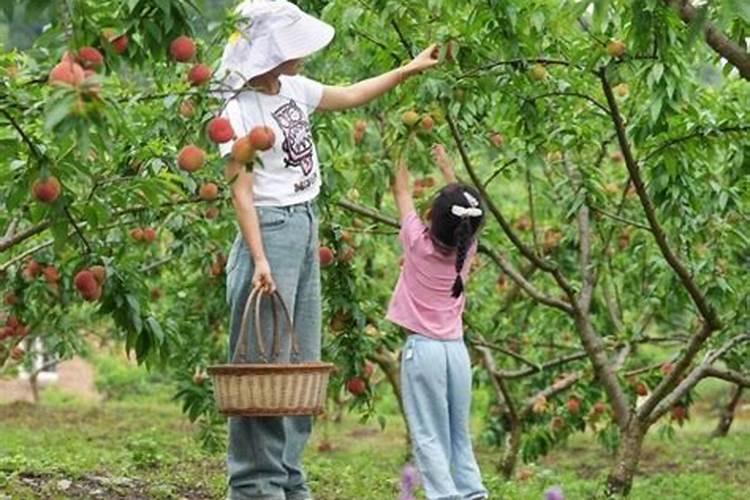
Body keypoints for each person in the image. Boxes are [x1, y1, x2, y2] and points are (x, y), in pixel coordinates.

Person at [217, 1, 440, 499]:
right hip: (269, 231)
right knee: (262, 366)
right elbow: (241, 190)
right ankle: (255, 485)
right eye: (290, 49)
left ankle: (288, 476)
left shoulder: (293, 89)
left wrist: (408, 69)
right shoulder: (236, 107)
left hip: (304, 224)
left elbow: (352, 94)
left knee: (300, 362)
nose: (300, 57)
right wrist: (259, 258)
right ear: (269, 53)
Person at [387, 144, 488, 500]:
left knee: (428, 433)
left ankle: (445, 497)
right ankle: (473, 494)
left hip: (423, 351)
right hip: (456, 353)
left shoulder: (417, 242)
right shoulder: (469, 248)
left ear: (430, 215)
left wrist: (399, 143)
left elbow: (400, 189)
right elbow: (466, 213)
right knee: (457, 432)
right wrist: (447, 167)